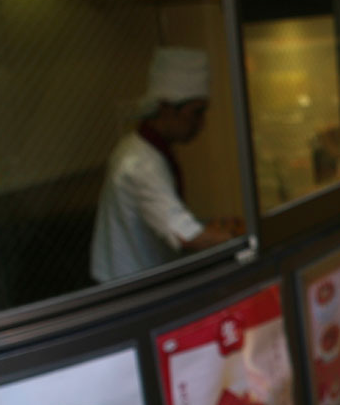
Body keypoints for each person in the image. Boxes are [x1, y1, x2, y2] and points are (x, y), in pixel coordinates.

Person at [90, 47, 241, 282]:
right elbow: (187, 236)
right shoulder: (140, 163)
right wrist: (243, 238)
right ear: (166, 108)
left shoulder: (144, 149)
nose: (201, 123)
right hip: (129, 288)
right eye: (196, 113)